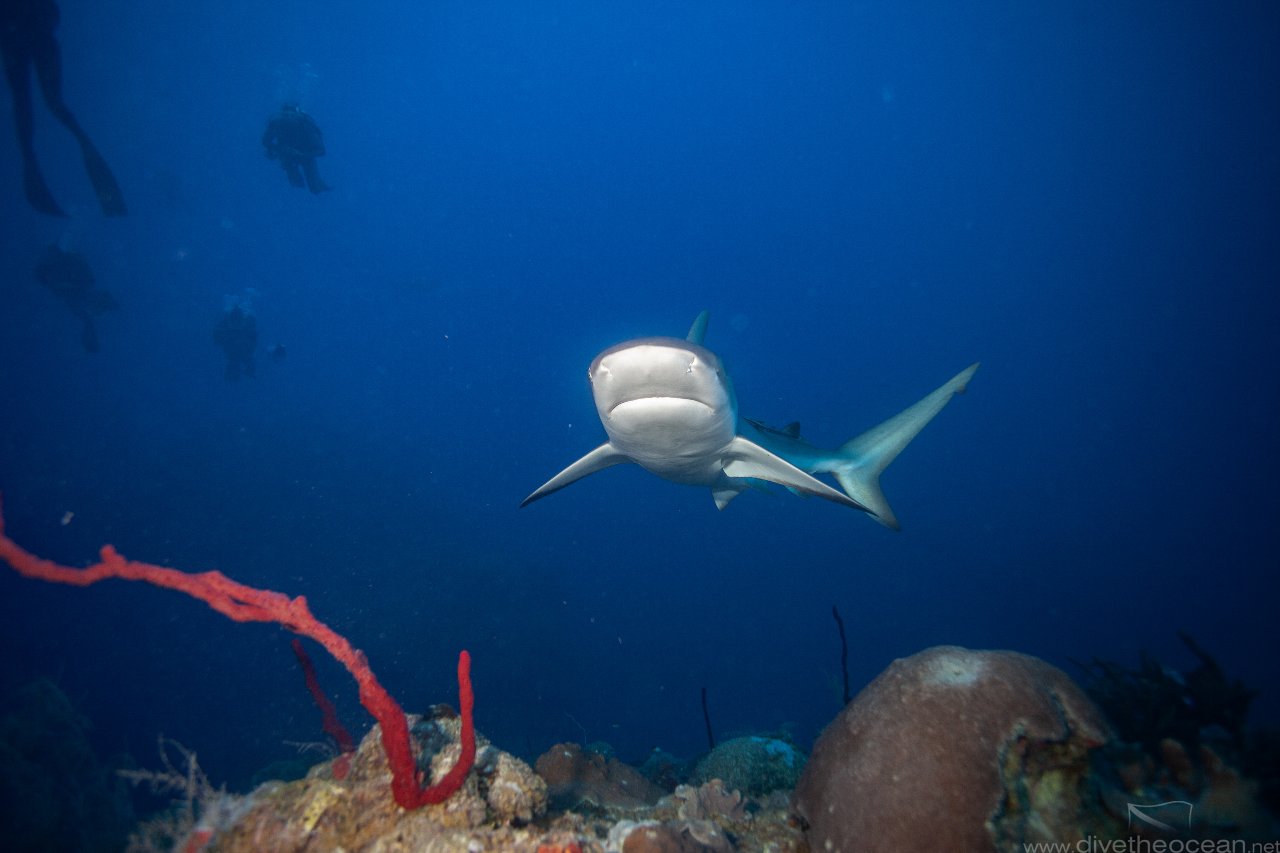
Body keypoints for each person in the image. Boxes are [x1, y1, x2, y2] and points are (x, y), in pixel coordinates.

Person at [0, 0, 127, 216]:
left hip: (21, 35)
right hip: (32, 32)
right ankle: (67, 151)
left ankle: (33, 163)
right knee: (50, 104)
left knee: (32, 105)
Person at [34, 244, 118, 352]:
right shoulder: (85, 278)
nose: (97, 312)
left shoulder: (78, 297)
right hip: (51, 259)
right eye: (99, 308)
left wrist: (90, 335)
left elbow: (86, 319)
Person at [262, 103, 329, 194]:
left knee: (314, 187)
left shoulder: (305, 125)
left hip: (305, 156)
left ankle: (322, 189)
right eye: (285, 116)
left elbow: (321, 150)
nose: (288, 118)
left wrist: (301, 154)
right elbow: (266, 142)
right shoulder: (276, 124)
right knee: (299, 183)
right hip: (289, 156)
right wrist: (280, 150)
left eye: (290, 116)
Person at [213, 304, 258, 380]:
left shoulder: (249, 325)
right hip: (233, 350)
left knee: (248, 364)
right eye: (234, 323)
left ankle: (246, 375)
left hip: (244, 350)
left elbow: (254, 342)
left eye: (238, 323)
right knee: (237, 361)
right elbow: (217, 340)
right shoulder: (224, 325)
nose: (236, 326)